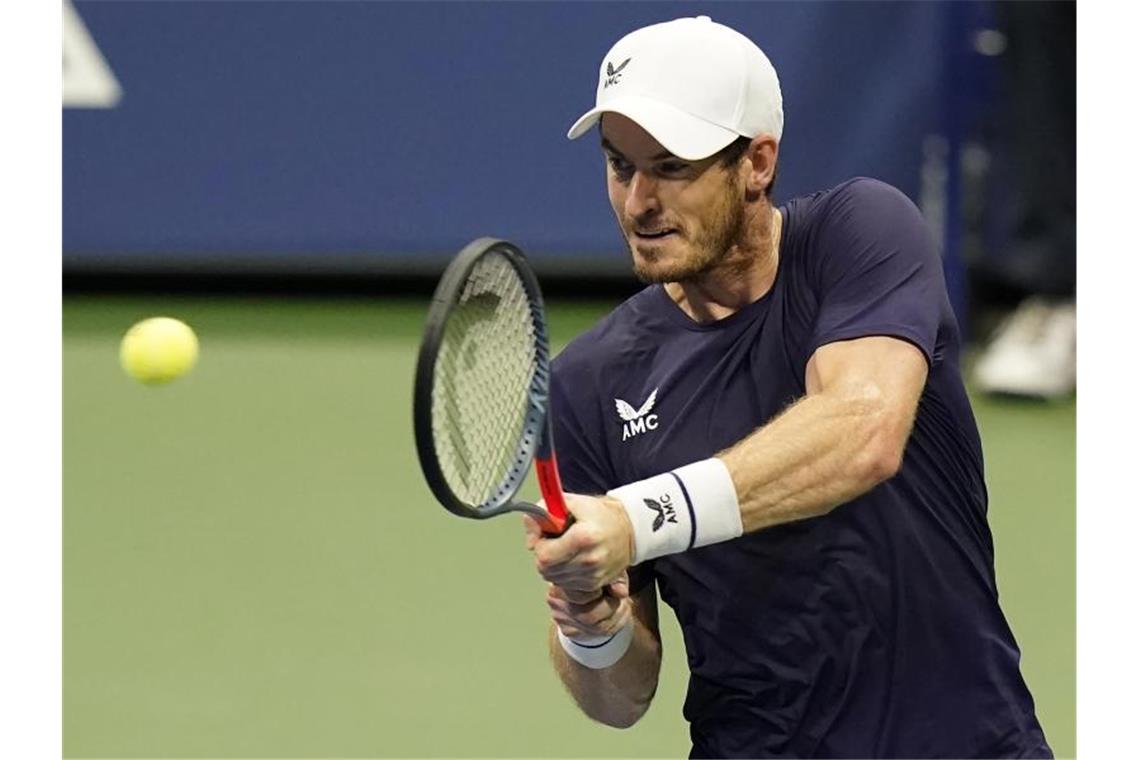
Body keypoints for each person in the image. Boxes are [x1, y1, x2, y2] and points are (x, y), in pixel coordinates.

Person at [521, 15, 1052, 759]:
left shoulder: (860, 235)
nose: (639, 200)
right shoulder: (590, 382)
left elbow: (861, 433)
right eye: (619, 165)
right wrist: (592, 625)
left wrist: (635, 519)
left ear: (757, 162)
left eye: (672, 166)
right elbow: (622, 699)